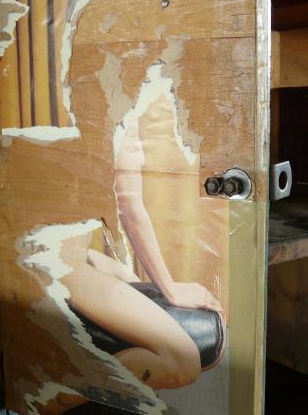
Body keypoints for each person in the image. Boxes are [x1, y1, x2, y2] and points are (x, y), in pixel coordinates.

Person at [60, 116, 224, 392]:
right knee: (182, 361)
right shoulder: (114, 104)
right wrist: (171, 289)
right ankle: (62, 397)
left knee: (128, 277)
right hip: (61, 267)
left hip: (68, 256)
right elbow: (130, 207)